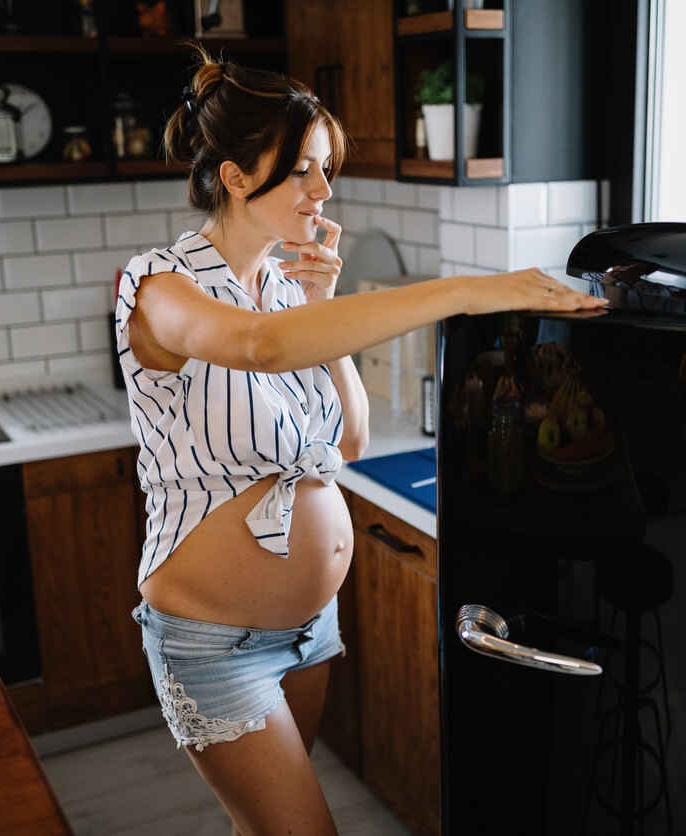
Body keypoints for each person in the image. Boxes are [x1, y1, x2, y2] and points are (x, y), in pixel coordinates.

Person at [114, 42, 605, 835]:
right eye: (302, 169)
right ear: (237, 177)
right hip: (215, 640)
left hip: (310, 628)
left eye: (325, 168)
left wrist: (324, 301)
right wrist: (469, 293)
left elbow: (348, 439)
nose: (323, 189)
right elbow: (258, 348)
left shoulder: (283, 288)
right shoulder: (159, 285)